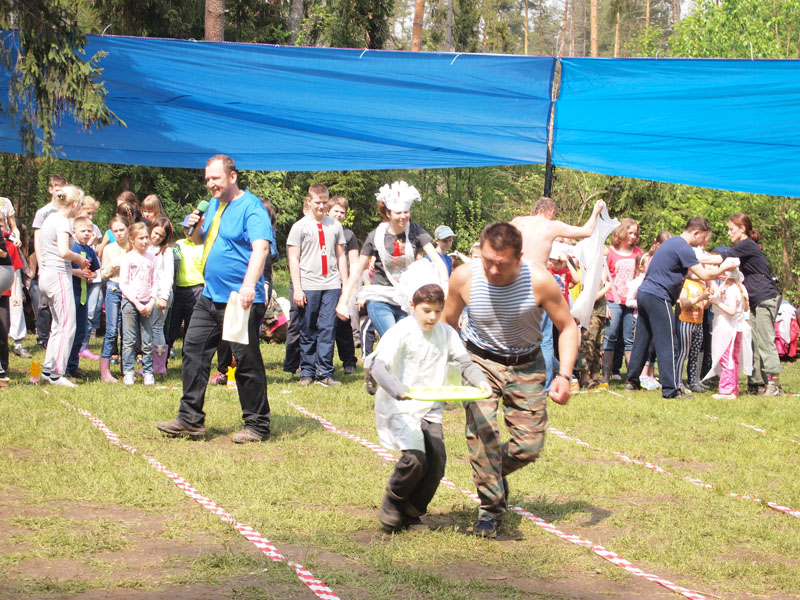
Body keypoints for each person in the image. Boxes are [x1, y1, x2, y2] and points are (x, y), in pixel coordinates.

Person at [442, 222, 578, 539]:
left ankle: (491, 471)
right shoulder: (464, 276)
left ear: (518, 257)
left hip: (527, 363)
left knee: (529, 446)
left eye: (500, 263)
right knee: (482, 436)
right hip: (478, 361)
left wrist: (565, 375)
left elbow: (568, 327)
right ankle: (490, 510)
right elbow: (447, 325)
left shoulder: (540, 281)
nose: (492, 269)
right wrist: (447, 374)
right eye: (487, 259)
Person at [157, 154, 274, 444]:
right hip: (209, 296)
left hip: (239, 300)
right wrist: (194, 225)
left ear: (232, 177)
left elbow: (261, 248)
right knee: (193, 352)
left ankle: (257, 425)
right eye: (207, 179)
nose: (210, 184)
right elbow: (198, 240)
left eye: (216, 178)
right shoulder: (213, 205)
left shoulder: (251, 207)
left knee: (245, 362)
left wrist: (249, 285)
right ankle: (190, 419)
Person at [368, 283, 490, 531]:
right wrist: (397, 388)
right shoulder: (401, 332)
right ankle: (394, 501)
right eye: (426, 310)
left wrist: (480, 380)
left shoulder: (446, 333)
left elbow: (464, 363)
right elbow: (378, 366)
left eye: (437, 310)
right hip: (399, 405)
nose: (432, 316)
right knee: (415, 458)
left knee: (436, 464)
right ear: (412, 307)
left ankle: (412, 513)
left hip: (430, 407)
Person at [625, 217, 737, 399]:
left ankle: (632, 381)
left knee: (642, 340)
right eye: (702, 240)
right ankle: (670, 389)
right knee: (668, 342)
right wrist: (725, 267)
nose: (702, 244)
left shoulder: (672, 244)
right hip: (658, 296)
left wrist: (717, 272)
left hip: (645, 294)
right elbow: (702, 272)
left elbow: (689, 274)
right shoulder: (683, 247)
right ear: (696, 233)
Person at [511, 197, 605, 390]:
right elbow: (586, 231)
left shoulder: (517, 222)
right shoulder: (551, 225)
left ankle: (513, 381)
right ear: (551, 212)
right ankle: (545, 386)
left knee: (515, 335)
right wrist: (596, 211)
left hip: (516, 280)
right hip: (539, 280)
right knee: (545, 338)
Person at [336, 180, 447, 337]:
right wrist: (343, 301)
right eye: (398, 212)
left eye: (406, 212)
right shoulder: (375, 236)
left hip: (406, 299)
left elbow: (438, 261)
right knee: (394, 339)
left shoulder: (416, 231)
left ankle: (378, 362)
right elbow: (357, 270)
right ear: (388, 213)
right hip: (380, 298)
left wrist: (445, 286)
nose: (403, 216)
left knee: (409, 342)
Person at [286, 184, 347, 386]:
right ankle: (307, 371)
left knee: (328, 328)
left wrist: (345, 286)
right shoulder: (299, 227)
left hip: (331, 283)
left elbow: (341, 257)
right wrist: (298, 287)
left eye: (324, 202)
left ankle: (325, 372)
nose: (321, 206)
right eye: (317, 202)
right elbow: (293, 258)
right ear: (309, 201)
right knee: (307, 329)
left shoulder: (335, 226)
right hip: (308, 284)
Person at [721, 213, 783, 396]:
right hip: (755, 301)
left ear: (742, 229)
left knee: (765, 340)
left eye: (731, 229)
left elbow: (721, 259)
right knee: (753, 342)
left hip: (765, 297)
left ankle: (774, 383)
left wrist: (694, 259)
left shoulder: (745, 245)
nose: (729, 233)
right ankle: (756, 383)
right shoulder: (743, 247)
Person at [38, 185, 91, 387]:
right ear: (74, 204)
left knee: (58, 324)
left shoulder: (50, 218)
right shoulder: (62, 222)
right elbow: (63, 251)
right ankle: (57, 374)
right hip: (58, 275)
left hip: (48, 276)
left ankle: (48, 368)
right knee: (68, 324)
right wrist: (79, 259)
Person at [602, 218, 643, 382]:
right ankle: (605, 376)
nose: (633, 236)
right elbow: (604, 278)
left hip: (631, 301)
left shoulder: (638, 253)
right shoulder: (610, 252)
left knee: (629, 339)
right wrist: (605, 303)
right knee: (610, 336)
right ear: (621, 232)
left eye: (635, 233)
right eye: (630, 232)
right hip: (613, 299)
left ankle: (632, 378)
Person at [119, 222, 159, 386]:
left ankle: (148, 371)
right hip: (130, 302)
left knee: (148, 340)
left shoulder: (153, 258)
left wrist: (151, 302)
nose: (145, 241)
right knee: (129, 340)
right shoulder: (128, 258)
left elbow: (156, 281)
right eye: (141, 238)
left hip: (147, 302)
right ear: (132, 240)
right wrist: (136, 302)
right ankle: (129, 371)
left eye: (146, 237)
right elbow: (123, 283)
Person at [31, 174, 67, 351]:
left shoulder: (67, 212)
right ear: (51, 190)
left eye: (63, 189)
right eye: (57, 189)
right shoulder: (43, 212)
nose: (60, 192)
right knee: (43, 301)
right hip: (47, 262)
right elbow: (37, 239)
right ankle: (42, 338)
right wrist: (40, 263)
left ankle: (57, 336)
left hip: (64, 263)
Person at [704, 269, 751, 399]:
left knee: (727, 358)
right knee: (733, 358)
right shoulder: (741, 288)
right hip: (738, 327)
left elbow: (731, 311)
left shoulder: (732, 290)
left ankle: (726, 390)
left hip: (728, 327)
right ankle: (733, 388)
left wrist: (717, 301)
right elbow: (746, 308)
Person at [65, 216, 101, 381]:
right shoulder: (71, 247)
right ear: (74, 232)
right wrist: (76, 272)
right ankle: (63, 367)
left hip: (83, 295)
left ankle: (73, 366)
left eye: (89, 231)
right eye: (83, 231)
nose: (86, 234)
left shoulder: (90, 250)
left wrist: (92, 274)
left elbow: (95, 270)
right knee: (69, 331)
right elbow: (62, 269)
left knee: (81, 332)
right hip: (71, 292)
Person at [328, 195, 359, 375]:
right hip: (322, 283)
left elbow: (354, 262)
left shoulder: (349, 235)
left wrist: (352, 288)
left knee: (343, 324)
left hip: (342, 284)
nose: (339, 215)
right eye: (336, 211)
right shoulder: (320, 230)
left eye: (342, 212)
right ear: (328, 211)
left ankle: (349, 361)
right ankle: (321, 362)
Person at [166, 214, 205, 358]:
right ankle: (163, 358)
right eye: (185, 228)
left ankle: (188, 357)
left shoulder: (202, 246)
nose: (188, 231)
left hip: (196, 289)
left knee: (191, 327)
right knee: (172, 326)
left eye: (191, 228)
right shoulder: (179, 244)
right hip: (178, 290)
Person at [99, 215, 131, 383]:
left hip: (130, 290)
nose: (119, 234)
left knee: (128, 331)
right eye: (115, 231)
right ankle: (105, 371)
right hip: (113, 288)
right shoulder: (109, 249)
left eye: (122, 230)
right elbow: (102, 274)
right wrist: (113, 266)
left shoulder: (134, 247)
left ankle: (127, 369)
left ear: (128, 229)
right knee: (112, 330)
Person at [148, 215, 175, 377]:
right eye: (155, 233)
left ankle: (158, 366)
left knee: (157, 328)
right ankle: (150, 363)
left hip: (161, 295)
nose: (156, 237)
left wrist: (164, 296)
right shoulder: (146, 247)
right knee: (150, 329)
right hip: (149, 294)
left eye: (161, 236)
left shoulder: (167, 251)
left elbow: (168, 276)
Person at [676, 272, 711, 393]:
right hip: (686, 322)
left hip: (698, 323)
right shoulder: (686, 284)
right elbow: (684, 304)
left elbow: (704, 306)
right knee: (683, 353)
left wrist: (710, 298)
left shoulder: (701, 284)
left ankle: (693, 382)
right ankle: (678, 382)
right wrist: (701, 297)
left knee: (695, 354)